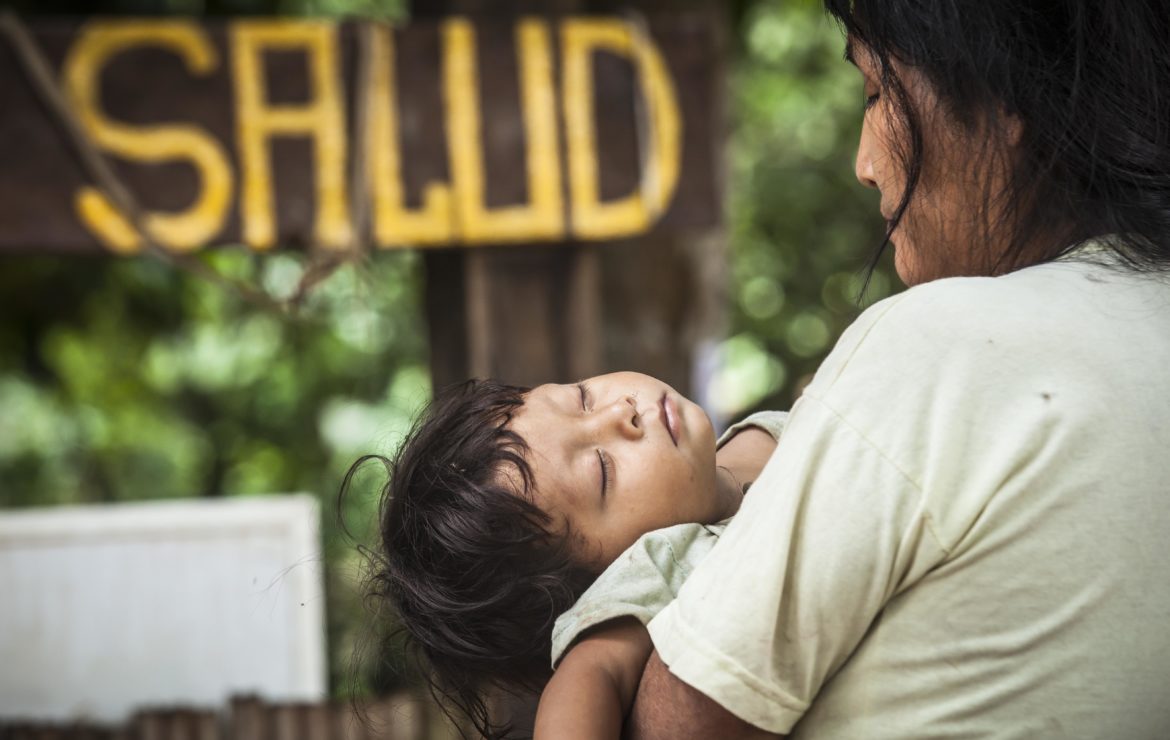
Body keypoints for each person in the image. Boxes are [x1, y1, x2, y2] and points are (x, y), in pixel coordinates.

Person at [594, 1, 1170, 738]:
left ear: (1002, 94)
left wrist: (607, 635)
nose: (864, 165)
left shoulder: (941, 342)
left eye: (875, 92)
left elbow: (678, 724)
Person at [347, 372, 782, 739]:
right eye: (602, 468)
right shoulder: (651, 570)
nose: (621, 413)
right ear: (594, 594)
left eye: (582, 398)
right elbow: (587, 678)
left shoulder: (758, 435)